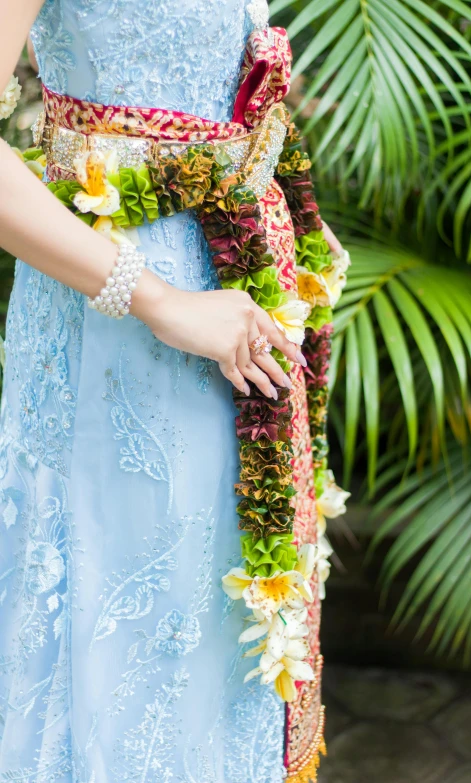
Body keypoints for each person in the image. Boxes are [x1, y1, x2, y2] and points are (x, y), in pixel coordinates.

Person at [0, 0, 346, 780]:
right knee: (118, 635)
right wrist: (158, 301)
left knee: (218, 628)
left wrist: (285, 213)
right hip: (120, 317)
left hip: (242, 298)